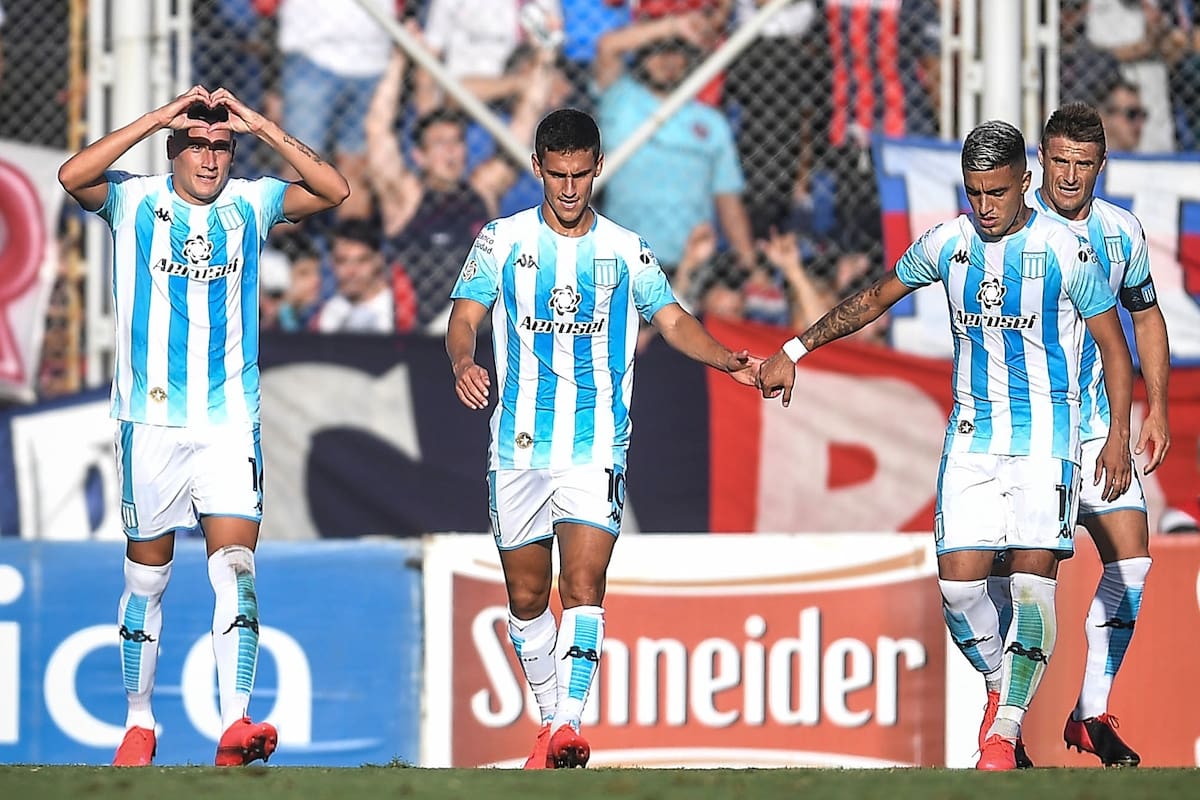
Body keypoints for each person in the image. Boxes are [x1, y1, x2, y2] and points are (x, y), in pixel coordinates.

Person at [757, 119, 1135, 772]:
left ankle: (1002, 734)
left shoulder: (1066, 252)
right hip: (970, 441)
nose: (984, 207)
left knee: (1029, 580)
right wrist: (796, 348)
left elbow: (1113, 344)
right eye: (973, 193)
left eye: (995, 192)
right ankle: (1001, 690)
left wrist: (1119, 435)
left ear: (1025, 180)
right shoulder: (948, 244)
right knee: (959, 588)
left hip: (1048, 441)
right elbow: (875, 298)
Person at [445, 108, 760, 769]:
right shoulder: (500, 240)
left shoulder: (625, 248)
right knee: (528, 599)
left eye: (579, 175)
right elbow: (465, 315)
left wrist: (728, 358)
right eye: (556, 175)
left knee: (583, 585)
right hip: (518, 448)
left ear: (597, 169)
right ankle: (548, 723)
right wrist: (462, 360)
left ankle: (568, 726)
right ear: (537, 168)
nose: (567, 190)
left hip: (595, 445)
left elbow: (672, 321)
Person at [57, 84, 350, 766]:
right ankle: (139, 723)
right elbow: (73, 177)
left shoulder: (252, 202)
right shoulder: (135, 201)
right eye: (198, 145)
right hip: (149, 421)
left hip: (227, 424)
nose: (212, 159)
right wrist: (160, 114)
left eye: (222, 147)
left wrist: (261, 123)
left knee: (237, 571)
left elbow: (333, 190)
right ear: (175, 151)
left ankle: (236, 724)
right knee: (147, 580)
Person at [1024, 101, 1170, 767]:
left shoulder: (1121, 232)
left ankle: (1090, 712)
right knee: (1026, 582)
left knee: (1132, 563)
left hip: (1099, 430)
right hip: (1029, 437)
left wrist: (1153, 412)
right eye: (1059, 161)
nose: (1070, 176)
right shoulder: (1015, 233)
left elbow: (1146, 320)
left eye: (1083, 164)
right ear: (1041, 161)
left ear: (1101, 166)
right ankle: (1003, 729)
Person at [314, 218, 396, 333]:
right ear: (331, 263)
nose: (351, 271)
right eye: (342, 261)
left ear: (379, 260)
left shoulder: (397, 308)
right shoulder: (328, 313)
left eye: (362, 260)